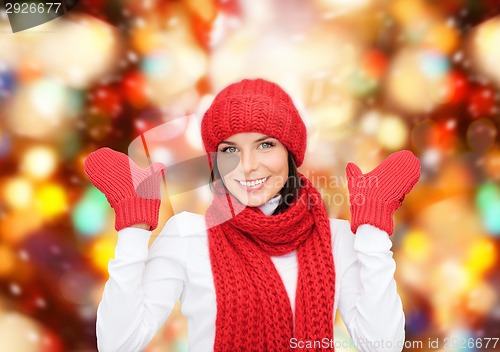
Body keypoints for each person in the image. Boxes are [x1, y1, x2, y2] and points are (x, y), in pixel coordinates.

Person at [84, 78, 420, 352]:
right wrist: (134, 228)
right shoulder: (187, 235)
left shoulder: (337, 238)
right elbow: (118, 343)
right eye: (230, 149)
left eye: (265, 145)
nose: (247, 165)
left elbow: (383, 345)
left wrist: (374, 230)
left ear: (291, 152)